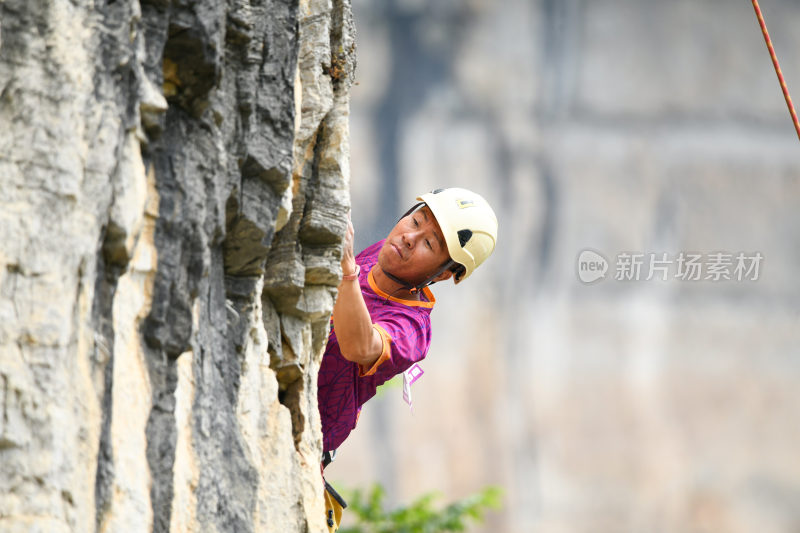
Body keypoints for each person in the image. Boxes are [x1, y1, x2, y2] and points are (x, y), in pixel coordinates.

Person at [317, 187, 498, 531]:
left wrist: (344, 268)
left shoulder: (411, 328)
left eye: (429, 244)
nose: (409, 238)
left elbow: (360, 347)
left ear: (444, 273)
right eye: (415, 220)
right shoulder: (380, 257)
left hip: (301, 445)